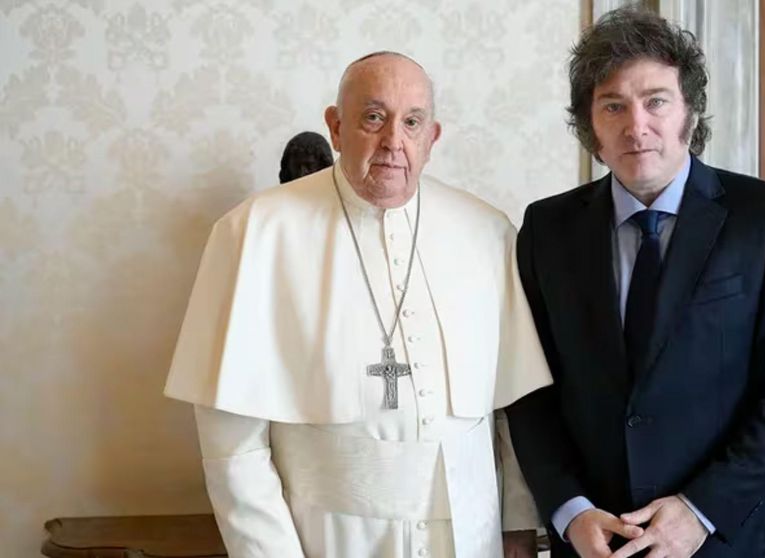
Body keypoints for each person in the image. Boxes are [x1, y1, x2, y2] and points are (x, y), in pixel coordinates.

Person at [164, 51, 551, 558]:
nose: (394, 141)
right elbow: (231, 443)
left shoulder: (487, 231)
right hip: (326, 537)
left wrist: (517, 525)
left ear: (432, 138)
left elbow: (512, 407)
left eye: (412, 122)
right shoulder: (254, 233)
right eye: (374, 117)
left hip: (468, 536)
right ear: (336, 125)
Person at [505, 7, 765, 558]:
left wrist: (701, 509)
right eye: (614, 105)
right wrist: (569, 510)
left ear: (689, 112)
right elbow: (529, 390)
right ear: (590, 126)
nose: (637, 126)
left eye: (656, 100)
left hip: (734, 536)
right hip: (595, 541)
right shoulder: (545, 228)